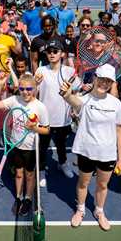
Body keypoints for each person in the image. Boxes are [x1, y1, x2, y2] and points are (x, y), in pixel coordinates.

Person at [60, 64, 121, 231]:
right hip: (86, 151)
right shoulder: (84, 99)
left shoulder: (116, 104)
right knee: (83, 183)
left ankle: (99, 211)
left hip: (108, 154)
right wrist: (66, 93)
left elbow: (119, 130)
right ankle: (80, 210)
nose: (104, 83)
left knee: (103, 185)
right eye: (102, 79)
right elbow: (70, 99)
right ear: (95, 78)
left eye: (108, 81)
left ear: (112, 83)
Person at [0, 73, 50, 216]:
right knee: (18, 173)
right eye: (22, 89)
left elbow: (47, 130)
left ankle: (28, 198)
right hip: (16, 145)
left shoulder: (40, 107)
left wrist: (34, 128)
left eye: (29, 89)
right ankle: (18, 197)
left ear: (35, 89)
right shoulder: (14, 100)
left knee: (29, 175)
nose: (25, 92)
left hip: (31, 148)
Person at [35, 40, 80, 181]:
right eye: (49, 51)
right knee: (42, 147)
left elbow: (77, 91)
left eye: (55, 51)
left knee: (61, 145)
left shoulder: (70, 71)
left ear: (62, 54)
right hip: (44, 119)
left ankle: (62, 163)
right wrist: (35, 84)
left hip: (63, 118)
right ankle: (41, 168)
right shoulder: (40, 70)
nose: (52, 54)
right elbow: (33, 93)